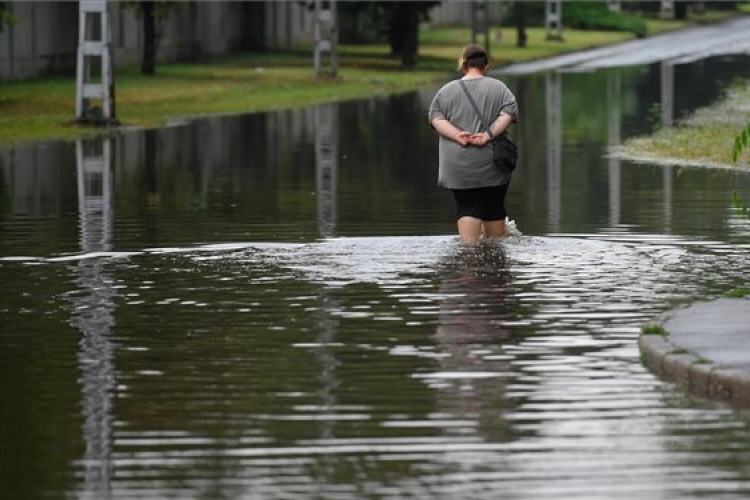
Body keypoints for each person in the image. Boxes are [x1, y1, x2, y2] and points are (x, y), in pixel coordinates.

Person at [428, 44, 518, 245]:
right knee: (494, 208)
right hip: (493, 164)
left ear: (463, 64)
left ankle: (469, 261)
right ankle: (495, 266)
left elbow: (436, 119)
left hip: (458, 166)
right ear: (486, 66)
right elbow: (507, 115)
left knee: (467, 206)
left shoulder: (445, 91)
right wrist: (487, 135)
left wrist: (458, 135)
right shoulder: (500, 89)